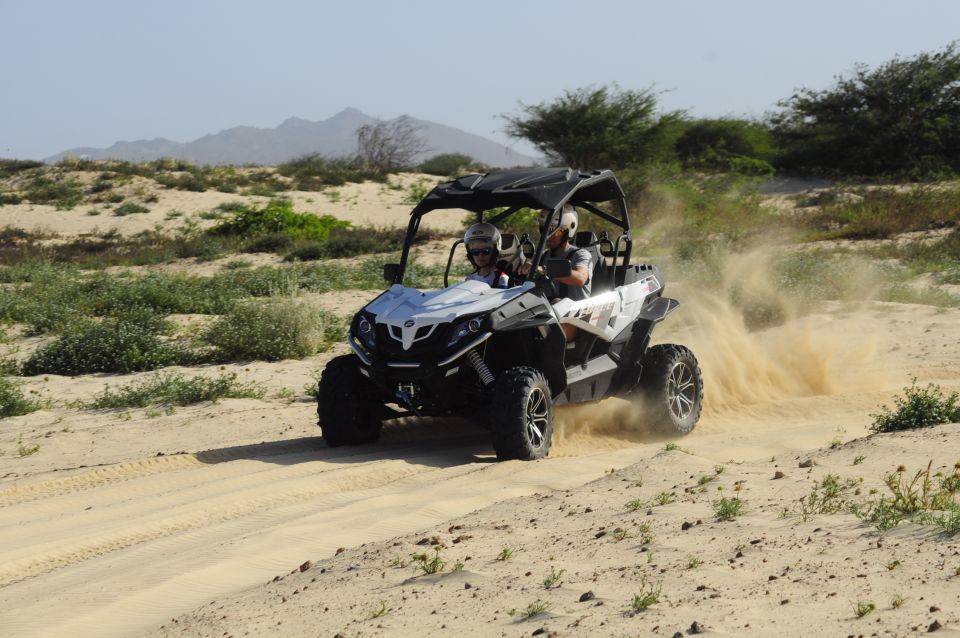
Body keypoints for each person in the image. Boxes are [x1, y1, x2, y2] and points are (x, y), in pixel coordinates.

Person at [518, 204, 592, 340]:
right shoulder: (541, 256)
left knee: (557, 303)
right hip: (545, 313)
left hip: (578, 316)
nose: (548, 236)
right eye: (544, 229)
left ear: (567, 231)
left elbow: (581, 278)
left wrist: (545, 270)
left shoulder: (581, 254)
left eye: (554, 231)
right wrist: (524, 269)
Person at [463, 222, 509, 288]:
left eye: (486, 251)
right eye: (475, 252)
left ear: (495, 252)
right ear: (470, 255)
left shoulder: (501, 278)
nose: (480, 256)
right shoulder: (470, 278)